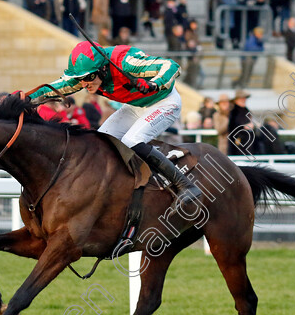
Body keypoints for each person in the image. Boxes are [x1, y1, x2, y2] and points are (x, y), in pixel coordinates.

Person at [29, 41, 201, 206]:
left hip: (164, 102)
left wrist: (153, 84)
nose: (84, 84)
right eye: (80, 79)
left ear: (103, 69)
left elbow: (170, 66)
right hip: (135, 106)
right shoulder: (86, 75)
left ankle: (185, 184)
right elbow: (53, 87)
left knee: (132, 140)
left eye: (88, 78)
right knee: (101, 143)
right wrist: (25, 98)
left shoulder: (126, 61)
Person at [227, 90, 254, 156]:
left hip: (248, 140)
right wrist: (243, 127)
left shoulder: (246, 110)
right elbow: (231, 127)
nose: (244, 100)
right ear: (236, 100)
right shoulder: (233, 111)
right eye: (242, 98)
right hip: (238, 142)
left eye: (244, 98)